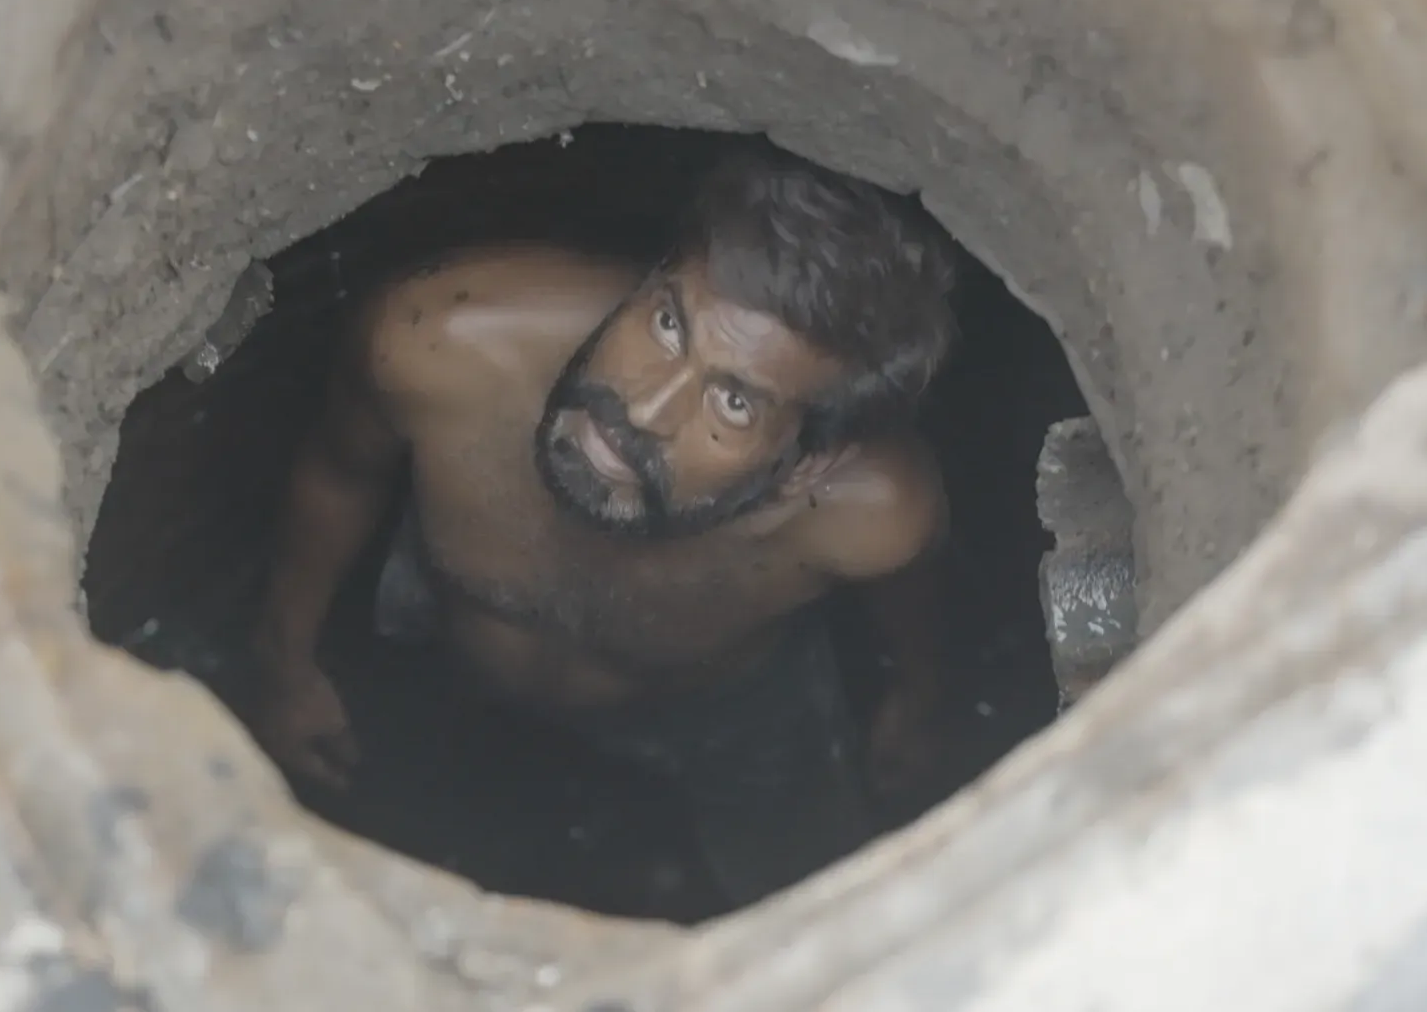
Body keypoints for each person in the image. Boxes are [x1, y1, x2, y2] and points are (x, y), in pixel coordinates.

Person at [248, 145, 958, 906]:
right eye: (666, 323)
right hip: (451, 643)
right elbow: (338, 473)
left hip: (720, 704)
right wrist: (283, 662)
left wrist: (921, 698)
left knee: (819, 897)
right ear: (648, 275)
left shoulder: (871, 515)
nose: (641, 412)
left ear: (807, 461)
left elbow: (912, 605)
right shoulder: (440, 345)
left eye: (734, 403)